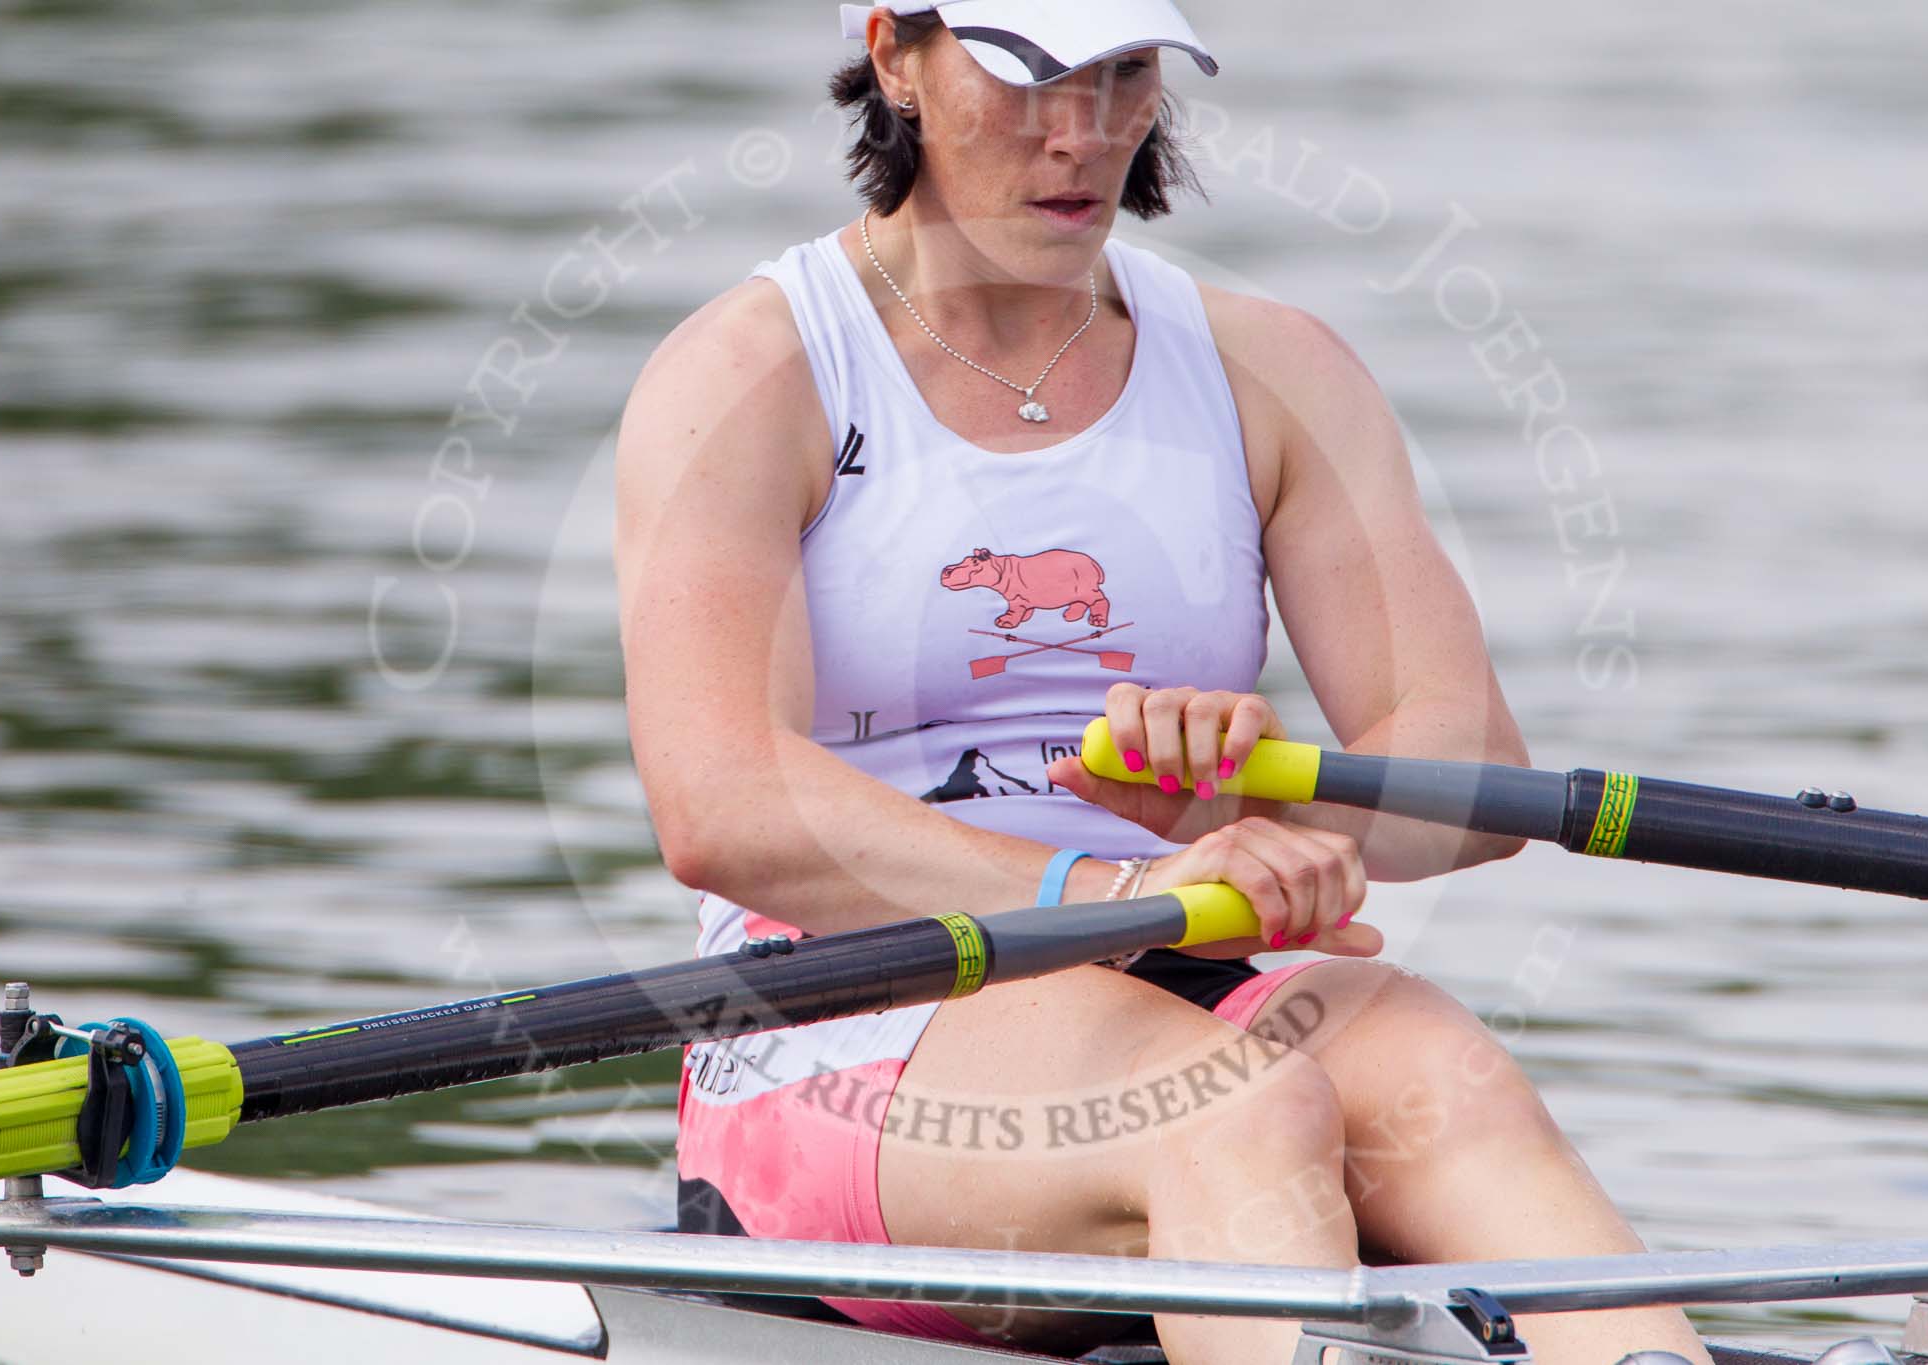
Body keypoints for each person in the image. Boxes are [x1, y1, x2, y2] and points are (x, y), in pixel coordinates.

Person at [615, 4, 1711, 1363]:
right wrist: (1106, 890)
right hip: (842, 1013)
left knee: (1445, 1070)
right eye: (1027, 77)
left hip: (1174, 961)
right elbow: (723, 808)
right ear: (894, 52)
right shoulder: (750, 375)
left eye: (1123, 75)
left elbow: (1472, 774)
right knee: (1230, 1105)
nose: (1083, 135)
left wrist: (1264, 837)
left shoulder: (1273, 371)